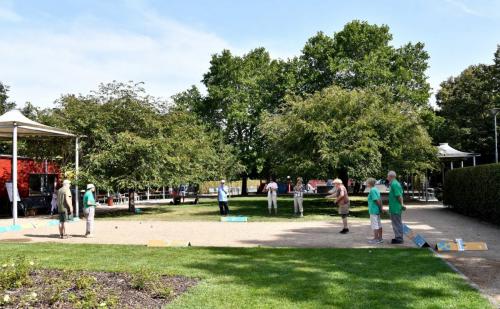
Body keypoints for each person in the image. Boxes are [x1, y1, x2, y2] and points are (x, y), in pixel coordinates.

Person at [387, 171, 406, 244]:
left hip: (396, 208)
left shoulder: (394, 184)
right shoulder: (394, 184)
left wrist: (402, 204)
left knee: (397, 223)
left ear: (391, 176)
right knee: (397, 223)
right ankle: (398, 237)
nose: (387, 178)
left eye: (388, 176)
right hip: (394, 207)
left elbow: (399, 196)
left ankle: (399, 238)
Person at [366, 178, 383, 244]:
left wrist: (380, 208)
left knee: (375, 225)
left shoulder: (372, 190)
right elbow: (380, 199)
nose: (366, 184)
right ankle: (380, 238)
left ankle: (376, 239)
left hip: (373, 210)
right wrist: (381, 208)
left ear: (369, 183)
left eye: (367, 183)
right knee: (379, 224)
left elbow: (376, 200)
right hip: (377, 210)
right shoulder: (376, 189)